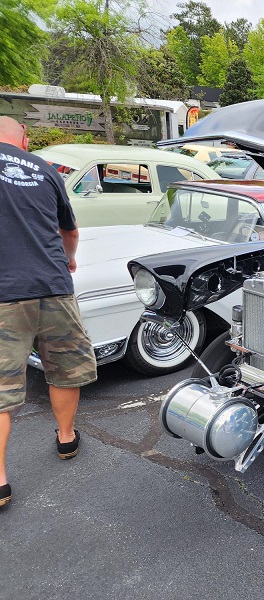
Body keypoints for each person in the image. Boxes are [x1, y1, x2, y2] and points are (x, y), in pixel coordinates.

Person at [0, 117, 97, 508]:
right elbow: (69, 232)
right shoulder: (44, 169)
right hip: (54, 287)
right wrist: (69, 262)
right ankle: (67, 438)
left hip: (5, 294)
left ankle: (1, 481)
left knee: (2, 386)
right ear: (23, 138)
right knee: (65, 367)